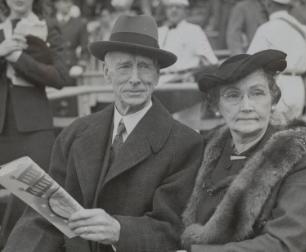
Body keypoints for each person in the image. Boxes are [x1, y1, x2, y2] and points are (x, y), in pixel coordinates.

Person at [3, 14, 203, 252]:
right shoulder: (74, 134)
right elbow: (42, 219)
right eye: (124, 67)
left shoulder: (186, 143)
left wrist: (120, 230)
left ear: (157, 75)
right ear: (106, 73)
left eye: (145, 67)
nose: (135, 79)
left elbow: (174, 229)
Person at [180, 49, 306, 252]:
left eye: (257, 93)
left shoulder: (302, 160)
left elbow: (284, 244)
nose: (247, 106)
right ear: (216, 106)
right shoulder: (204, 152)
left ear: (272, 100)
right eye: (233, 95)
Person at [0, 0, 70, 245]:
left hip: (34, 128)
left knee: (35, 201)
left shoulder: (48, 26)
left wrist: (18, 57)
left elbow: (61, 76)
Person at [247, 0, 306, 121]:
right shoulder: (302, 29)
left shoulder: (266, 28)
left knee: (274, 132)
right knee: (292, 131)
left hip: (276, 83)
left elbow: (250, 62)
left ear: (269, 5)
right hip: (297, 85)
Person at [158, 0, 218, 83]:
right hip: (159, 81)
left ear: (186, 11)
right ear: (166, 11)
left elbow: (210, 61)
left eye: (178, 7)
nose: (173, 10)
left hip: (182, 82)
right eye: (170, 7)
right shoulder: (159, 32)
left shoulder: (194, 30)